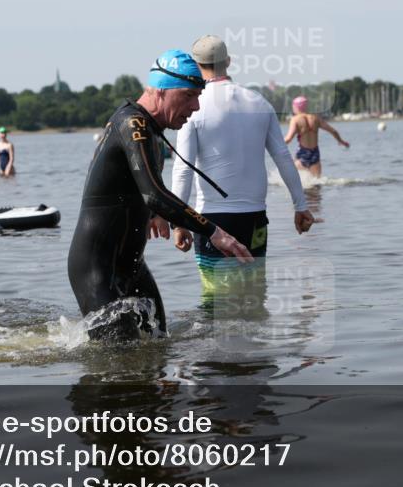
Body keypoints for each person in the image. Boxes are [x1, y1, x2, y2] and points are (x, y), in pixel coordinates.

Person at [67, 49, 253, 342]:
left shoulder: (152, 129)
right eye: (189, 95)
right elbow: (154, 193)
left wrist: (155, 213)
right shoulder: (133, 124)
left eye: (199, 96)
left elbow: (137, 186)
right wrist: (214, 232)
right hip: (97, 269)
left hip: (132, 265)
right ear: (160, 91)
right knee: (119, 366)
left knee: (158, 345)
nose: (195, 106)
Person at [171, 35, 315, 282]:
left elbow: (183, 170)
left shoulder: (194, 107)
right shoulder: (260, 102)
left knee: (215, 301)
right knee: (254, 293)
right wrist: (300, 206)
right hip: (255, 218)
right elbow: (282, 157)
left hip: (212, 221)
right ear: (228, 61)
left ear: (196, 66)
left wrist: (178, 222)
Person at [284, 95, 349, 177]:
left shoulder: (295, 119)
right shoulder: (315, 118)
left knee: (295, 180)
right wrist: (341, 141)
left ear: (296, 107)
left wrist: (273, 146)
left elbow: (288, 138)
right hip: (315, 153)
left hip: (302, 153)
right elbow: (333, 131)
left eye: (293, 107)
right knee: (316, 183)